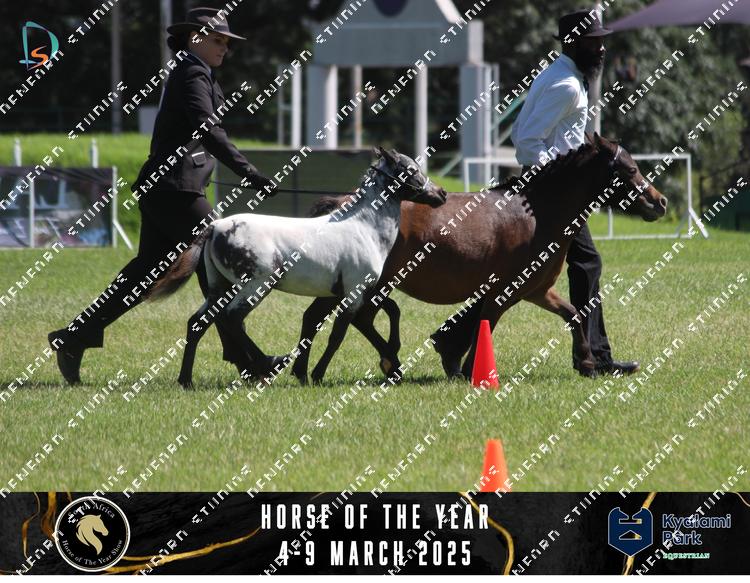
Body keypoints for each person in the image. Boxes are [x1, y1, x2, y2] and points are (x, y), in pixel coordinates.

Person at [48, 7, 278, 384]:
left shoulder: (195, 72)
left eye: (226, 42)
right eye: (217, 40)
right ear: (194, 39)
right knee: (217, 261)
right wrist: (249, 172)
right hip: (175, 188)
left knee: (146, 272)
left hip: (168, 188)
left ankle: (74, 338)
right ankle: (248, 362)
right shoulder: (191, 73)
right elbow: (208, 130)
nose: (225, 47)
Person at [431, 9, 639, 378]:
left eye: (602, 41)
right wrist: (556, 179)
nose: (602, 48)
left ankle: (453, 338)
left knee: (521, 273)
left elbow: (526, 132)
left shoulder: (560, 74)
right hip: (553, 195)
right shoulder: (566, 85)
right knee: (582, 264)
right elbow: (527, 139)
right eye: (594, 42)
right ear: (574, 43)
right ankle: (596, 358)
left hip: (553, 192)